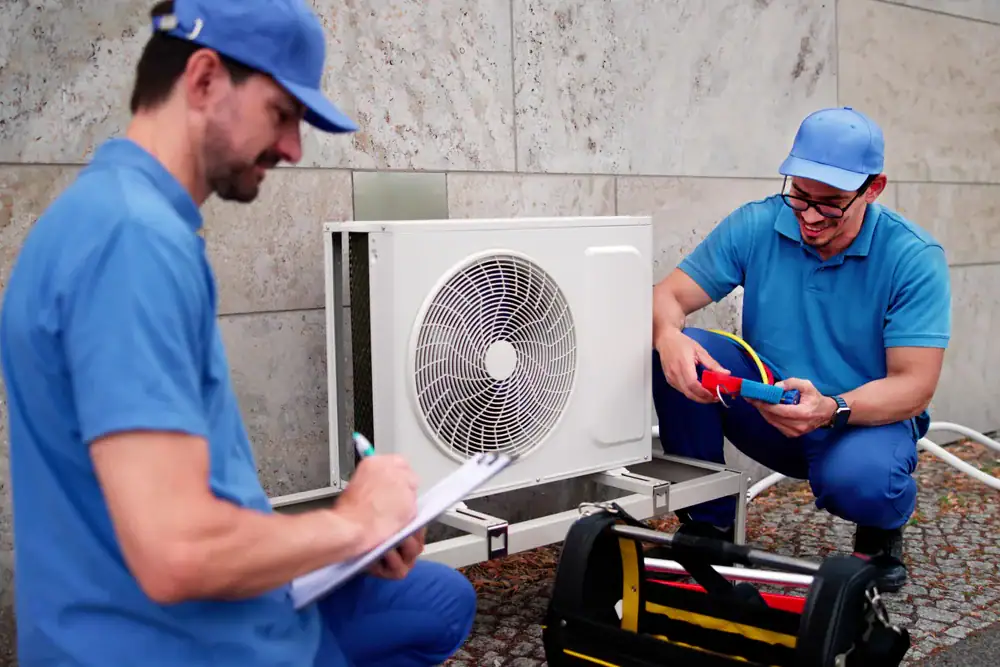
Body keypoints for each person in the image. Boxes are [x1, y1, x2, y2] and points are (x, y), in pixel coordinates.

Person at [0, 1, 477, 665]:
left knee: (440, 598)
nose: (292, 149)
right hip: (187, 642)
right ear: (202, 79)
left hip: (156, 618)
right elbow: (177, 552)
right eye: (282, 114)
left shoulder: (102, 215)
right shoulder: (133, 242)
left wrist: (349, 538)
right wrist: (353, 522)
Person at [651, 106, 951, 593]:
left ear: (874, 188)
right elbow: (667, 296)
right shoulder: (758, 224)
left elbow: (915, 385)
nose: (810, 216)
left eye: (830, 203)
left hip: (857, 421)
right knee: (684, 348)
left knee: (862, 480)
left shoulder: (913, 258)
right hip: (769, 407)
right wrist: (667, 337)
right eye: (801, 196)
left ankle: (879, 533)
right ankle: (709, 525)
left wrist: (831, 408)